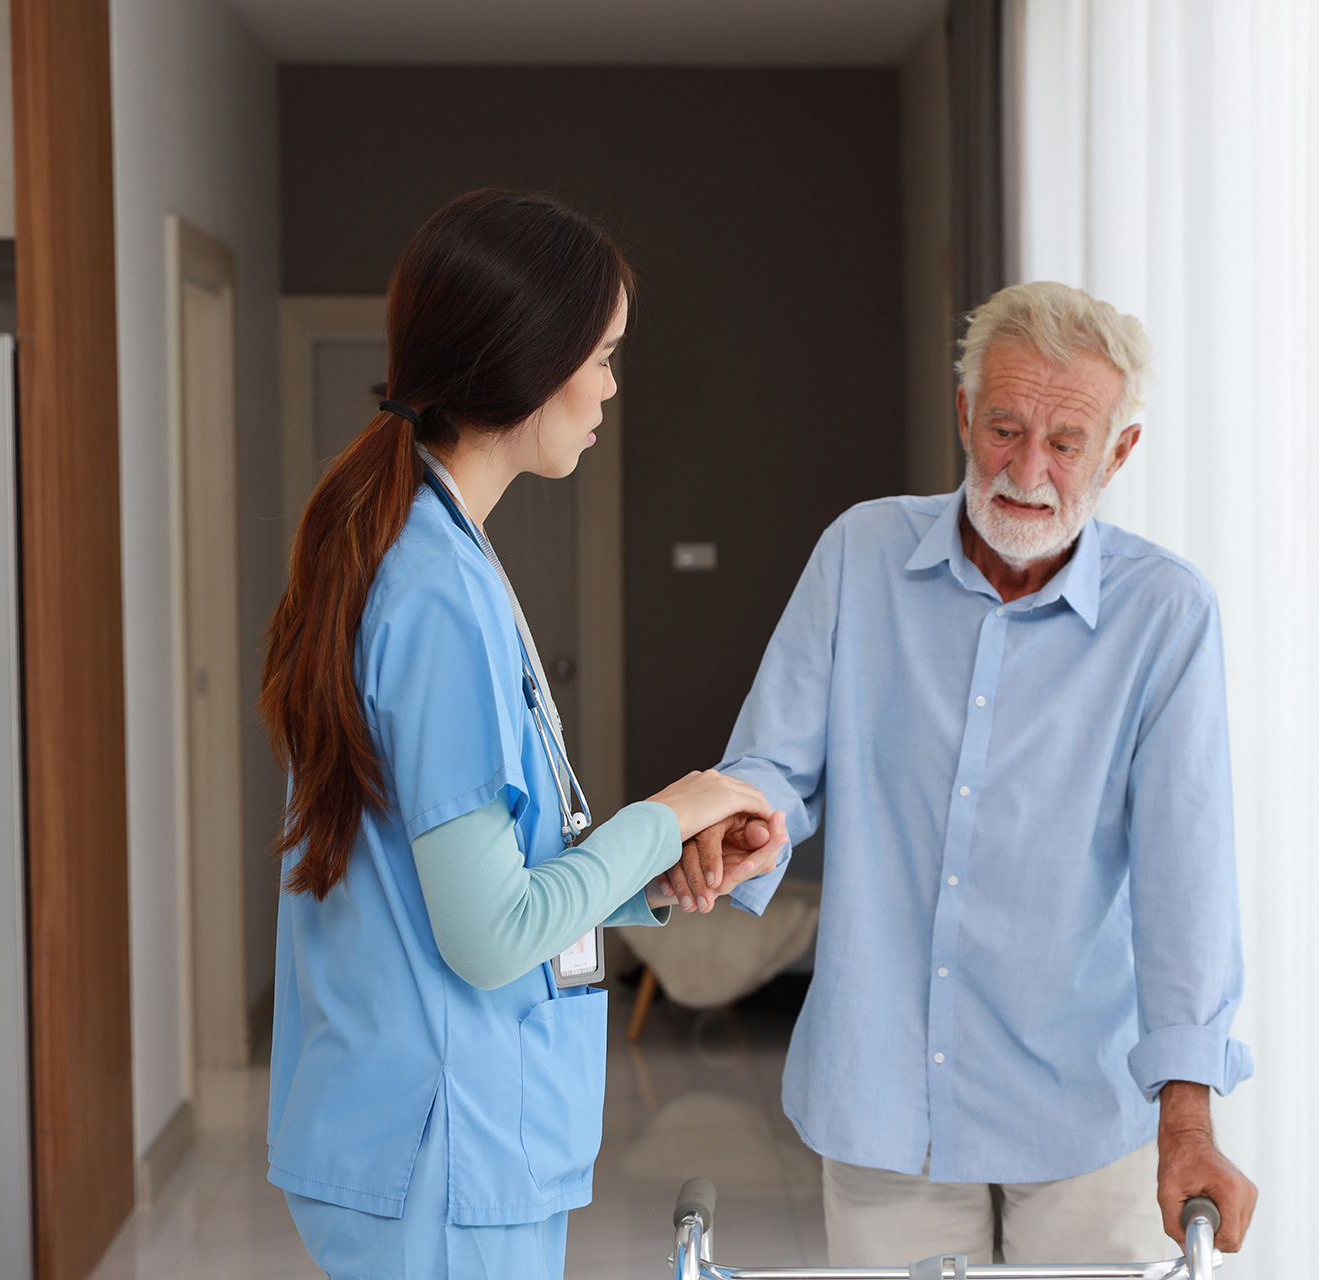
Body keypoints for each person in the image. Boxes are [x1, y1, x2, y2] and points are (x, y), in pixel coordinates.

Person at [258, 189, 784, 1280]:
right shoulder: (436, 589)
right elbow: (493, 934)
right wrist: (670, 809)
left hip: (432, 1132)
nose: (609, 387)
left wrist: (656, 874)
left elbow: (468, 872)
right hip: (445, 1147)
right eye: (599, 355)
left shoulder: (432, 552)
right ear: (526, 357)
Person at [675, 281, 1258, 1265]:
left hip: (1082, 1108)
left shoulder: (1166, 616)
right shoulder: (858, 554)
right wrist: (743, 822)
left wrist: (1188, 1114)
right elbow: (773, 761)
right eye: (1003, 427)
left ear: (1118, 452)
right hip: (884, 1097)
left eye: (1066, 441)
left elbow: (1184, 878)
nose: (1027, 468)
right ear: (962, 414)